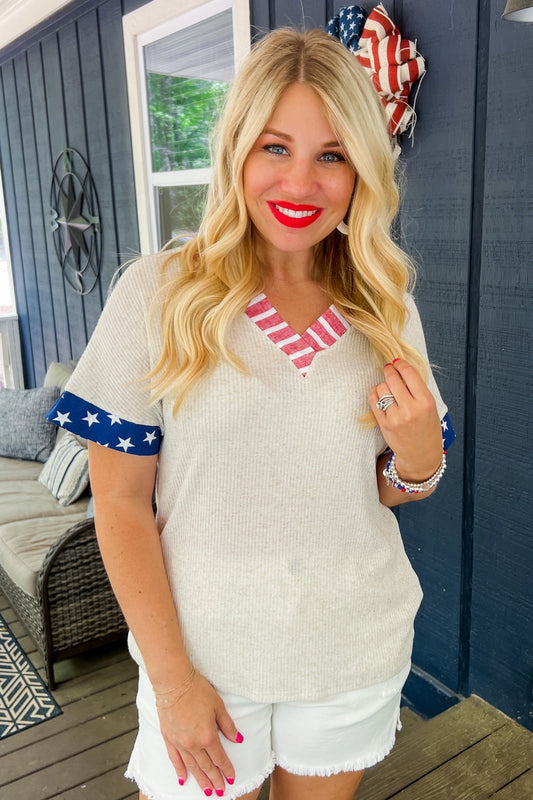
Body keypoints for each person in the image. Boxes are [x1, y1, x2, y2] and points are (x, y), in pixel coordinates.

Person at [47, 27, 454, 800]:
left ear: (361, 169)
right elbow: (121, 504)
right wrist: (172, 681)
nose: (301, 182)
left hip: (349, 646)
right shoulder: (158, 292)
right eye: (275, 147)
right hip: (204, 658)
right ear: (235, 148)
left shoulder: (384, 301)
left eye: (332, 154)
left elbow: (391, 485)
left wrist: (417, 455)